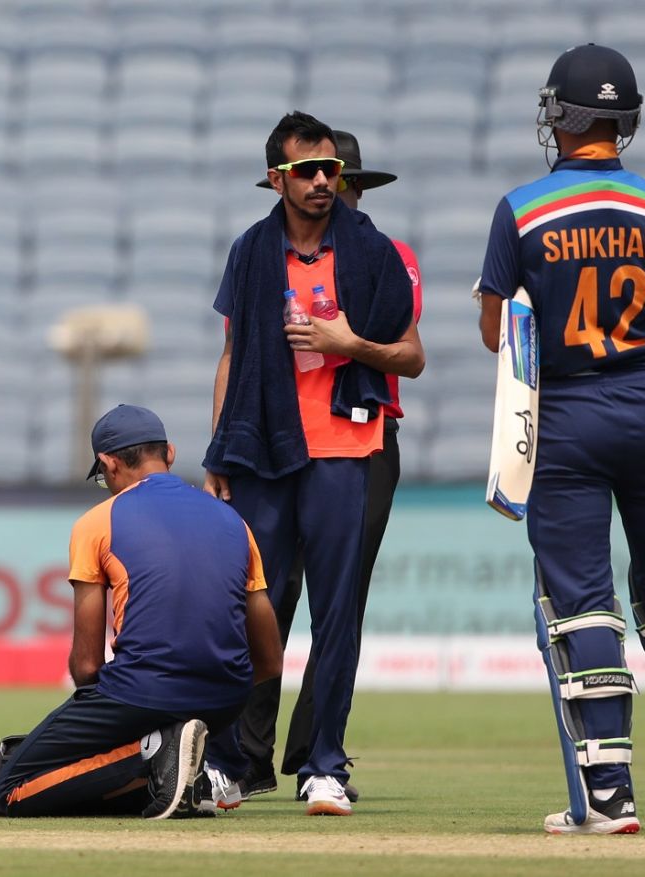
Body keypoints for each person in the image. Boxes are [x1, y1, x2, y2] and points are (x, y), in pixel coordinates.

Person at [476, 44, 645, 835]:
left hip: (566, 414)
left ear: (560, 116)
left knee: (583, 601)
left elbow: (501, 330)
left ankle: (607, 797)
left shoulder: (522, 209)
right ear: (624, 122)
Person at [202, 112, 425, 816]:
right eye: (309, 171)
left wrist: (348, 340)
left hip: (345, 450)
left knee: (335, 614)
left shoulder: (373, 253)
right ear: (278, 178)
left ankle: (324, 763)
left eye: (331, 169)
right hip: (263, 452)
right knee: (249, 609)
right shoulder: (250, 251)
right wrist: (217, 448)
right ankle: (231, 763)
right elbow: (233, 356)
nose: (325, 180)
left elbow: (412, 356)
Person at [0, 404, 283, 819]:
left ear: (109, 462)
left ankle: (156, 757)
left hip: (141, 692)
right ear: (169, 454)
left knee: (2, 787)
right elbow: (269, 658)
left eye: (103, 476)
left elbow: (86, 666)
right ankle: (186, 771)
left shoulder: (98, 522)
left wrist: (137, 704)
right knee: (117, 740)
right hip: (224, 700)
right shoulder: (233, 522)